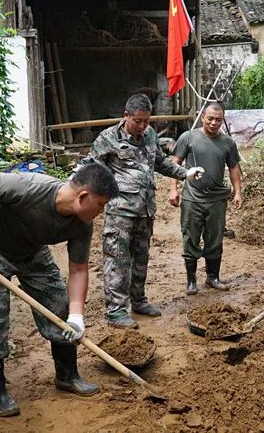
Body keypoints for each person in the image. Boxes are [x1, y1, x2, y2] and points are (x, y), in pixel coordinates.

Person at [0, 163, 119, 417]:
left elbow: (79, 270)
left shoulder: (81, 224)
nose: (101, 211)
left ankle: (67, 375)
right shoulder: (28, 187)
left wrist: (76, 315)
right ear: (83, 197)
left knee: (60, 307)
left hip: (32, 251)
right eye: (101, 205)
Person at [81, 93, 203, 329]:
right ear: (126, 116)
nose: (143, 126)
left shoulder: (149, 136)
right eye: (138, 121)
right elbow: (89, 169)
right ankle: (115, 311)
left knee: (141, 259)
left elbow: (160, 162)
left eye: (147, 121)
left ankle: (138, 301)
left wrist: (184, 173)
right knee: (117, 261)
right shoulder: (108, 138)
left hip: (145, 211)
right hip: (120, 213)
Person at [169, 101, 242, 295]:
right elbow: (175, 163)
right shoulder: (188, 138)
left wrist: (237, 192)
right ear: (202, 117)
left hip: (217, 200)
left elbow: (234, 167)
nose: (213, 123)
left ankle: (213, 277)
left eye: (218, 120)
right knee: (190, 238)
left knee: (215, 239)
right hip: (192, 198)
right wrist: (173, 189)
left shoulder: (227, 142)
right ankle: (191, 280)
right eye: (210, 118)